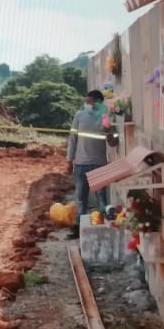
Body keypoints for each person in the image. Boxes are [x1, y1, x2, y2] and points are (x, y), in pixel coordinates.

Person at [66, 89, 110, 239]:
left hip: (99, 164)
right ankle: (78, 228)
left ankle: (103, 229)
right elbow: (72, 139)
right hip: (81, 164)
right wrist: (69, 160)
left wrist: (111, 136)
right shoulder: (79, 116)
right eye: (86, 101)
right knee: (80, 198)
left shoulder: (105, 117)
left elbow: (114, 140)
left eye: (89, 101)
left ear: (98, 102)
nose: (87, 104)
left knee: (101, 198)